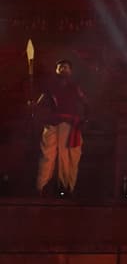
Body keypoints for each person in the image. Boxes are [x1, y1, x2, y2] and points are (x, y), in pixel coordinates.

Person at [35, 59, 87, 197]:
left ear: (70, 71)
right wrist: (33, 106)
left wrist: (83, 119)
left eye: (66, 67)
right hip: (52, 123)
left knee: (67, 157)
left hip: (69, 124)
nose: (63, 69)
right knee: (47, 156)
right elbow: (40, 103)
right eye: (60, 67)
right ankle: (42, 187)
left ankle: (66, 187)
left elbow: (85, 103)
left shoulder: (75, 87)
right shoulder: (50, 86)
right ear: (56, 70)